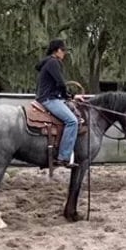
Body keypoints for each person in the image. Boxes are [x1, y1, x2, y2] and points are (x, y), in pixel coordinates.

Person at [35, 39, 78, 168]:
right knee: (72, 121)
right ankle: (63, 157)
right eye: (63, 50)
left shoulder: (48, 62)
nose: (64, 53)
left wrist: (72, 96)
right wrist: (68, 97)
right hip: (49, 99)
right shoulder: (54, 62)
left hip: (48, 97)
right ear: (57, 50)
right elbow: (61, 83)